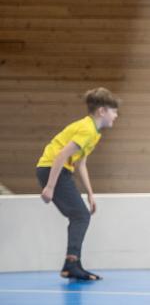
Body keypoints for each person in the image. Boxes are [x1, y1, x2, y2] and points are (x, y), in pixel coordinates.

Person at [36, 87, 120, 280]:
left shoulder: (94, 132)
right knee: (80, 216)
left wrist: (90, 193)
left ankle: (73, 264)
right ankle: (71, 264)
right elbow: (61, 155)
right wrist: (49, 186)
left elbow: (80, 162)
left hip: (59, 170)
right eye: (113, 111)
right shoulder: (87, 129)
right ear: (102, 111)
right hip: (52, 168)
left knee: (80, 215)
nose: (116, 115)